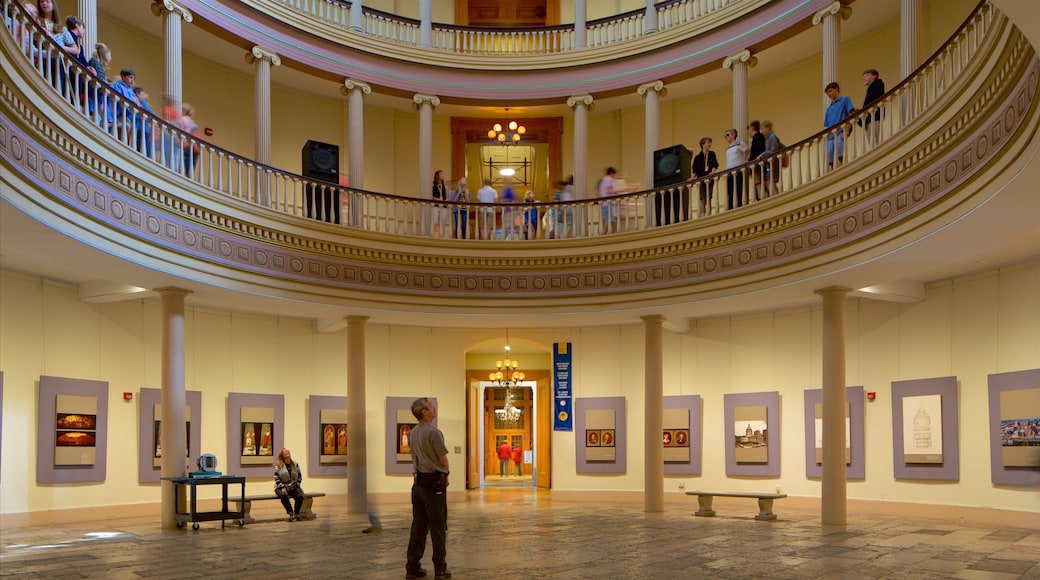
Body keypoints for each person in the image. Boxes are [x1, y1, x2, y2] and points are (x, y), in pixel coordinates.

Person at [405, 398, 451, 580]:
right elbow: (442, 459)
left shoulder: (413, 433)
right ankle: (440, 569)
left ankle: (412, 567)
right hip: (434, 484)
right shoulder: (434, 433)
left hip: (418, 483)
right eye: (430, 405)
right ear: (424, 412)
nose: (433, 407)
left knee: (418, 526)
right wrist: (446, 473)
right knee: (438, 526)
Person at [824, 82, 855, 168]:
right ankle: (833, 168)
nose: (829, 95)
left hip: (841, 130)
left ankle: (843, 165)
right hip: (831, 134)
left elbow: (851, 113)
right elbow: (826, 125)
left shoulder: (845, 99)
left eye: (830, 91)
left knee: (839, 146)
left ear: (837, 89)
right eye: (827, 93)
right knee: (829, 150)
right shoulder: (828, 109)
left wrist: (848, 128)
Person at [274, 448, 305, 522]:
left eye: (288, 451)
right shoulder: (278, 465)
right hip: (281, 486)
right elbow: (276, 477)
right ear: (282, 455)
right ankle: (291, 513)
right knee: (283, 495)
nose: (287, 452)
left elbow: (299, 476)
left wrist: (297, 485)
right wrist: (282, 487)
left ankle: (297, 513)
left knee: (300, 495)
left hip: (293, 485)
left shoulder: (295, 464)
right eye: (285, 452)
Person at [691, 137, 719, 217]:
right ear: (703, 144)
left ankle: (708, 213)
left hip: (709, 179)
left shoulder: (712, 154)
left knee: (709, 197)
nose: (709, 144)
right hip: (701, 180)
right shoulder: (697, 158)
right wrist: (692, 178)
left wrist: (713, 172)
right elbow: (695, 170)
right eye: (708, 142)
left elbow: (714, 165)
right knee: (702, 198)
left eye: (710, 142)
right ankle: (703, 214)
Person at [723, 128, 748, 210]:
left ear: (733, 135)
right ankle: (731, 207)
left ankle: (739, 205)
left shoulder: (739, 143)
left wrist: (746, 160)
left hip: (738, 171)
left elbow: (747, 150)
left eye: (727, 135)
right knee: (730, 191)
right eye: (725, 136)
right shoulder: (728, 148)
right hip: (729, 172)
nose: (726, 137)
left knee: (738, 189)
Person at [859, 68, 885, 144]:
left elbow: (871, 101)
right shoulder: (871, 89)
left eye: (867, 76)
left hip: (874, 117)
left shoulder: (877, 85)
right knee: (872, 142)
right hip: (870, 118)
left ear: (874, 76)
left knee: (875, 142)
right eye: (864, 77)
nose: (864, 78)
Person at [760, 120, 784, 197]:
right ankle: (775, 195)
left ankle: (777, 196)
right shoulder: (767, 138)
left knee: (770, 181)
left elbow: (773, 150)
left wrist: (762, 154)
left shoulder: (772, 137)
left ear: (768, 128)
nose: (761, 131)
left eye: (762, 128)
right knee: (769, 181)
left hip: (774, 163)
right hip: (769, 164)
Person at [179, 103, 202, 178]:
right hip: (190, 147)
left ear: (184, 111)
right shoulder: (192, 123)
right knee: (189, 169)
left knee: (183, 166)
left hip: (184, 146)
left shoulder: (182, 119)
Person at [747, 120, 766, 200]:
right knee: (757, 181)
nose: (748, 132)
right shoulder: (759, 137)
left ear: (752, 128)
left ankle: (760, 197)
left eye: (749, 129)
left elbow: (756, 151)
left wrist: (751, 161)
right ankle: (759, 197)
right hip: (757, 163)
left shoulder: (757, 137)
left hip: (757, 164)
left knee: (757, 182)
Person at [598, 167, 619, 234]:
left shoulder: (603, 180)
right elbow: (609, 190)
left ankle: (612, 234)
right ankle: (605, 235)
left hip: (605, 204)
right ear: (611, 173)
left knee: (610, 220)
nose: (614, 177)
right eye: (614, 175)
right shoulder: (609, 179)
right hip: (608, 204)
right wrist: (618, 192)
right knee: (609, 220)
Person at [431, 170, 448, 238]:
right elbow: (431, 196)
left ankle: (442, 236)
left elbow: (446, 197)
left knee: (443, 222)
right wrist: (437, 199)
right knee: (435, 221)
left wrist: (445, 200)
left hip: (443, 206)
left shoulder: (445, 187)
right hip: (436, 206)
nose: (443, 175)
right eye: (441, 174)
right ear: (437, 175)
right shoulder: (433, 186)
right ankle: (436, 234)